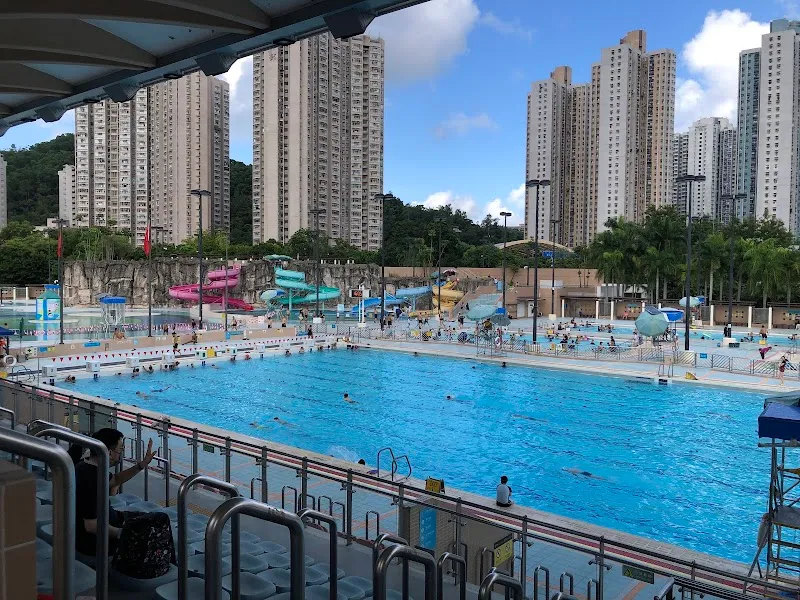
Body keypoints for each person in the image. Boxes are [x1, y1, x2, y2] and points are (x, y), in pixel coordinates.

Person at [67, 429, 163, 558]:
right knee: (160, 522)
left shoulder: (86, 465)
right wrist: (123, 534)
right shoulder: (91, 478)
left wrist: (142, 465)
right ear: (110, 452)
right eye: (120, 449)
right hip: (94, 544)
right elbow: (91, 526)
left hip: (108, 522)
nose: (121, 454)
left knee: (155, 518)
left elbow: (115, 480)